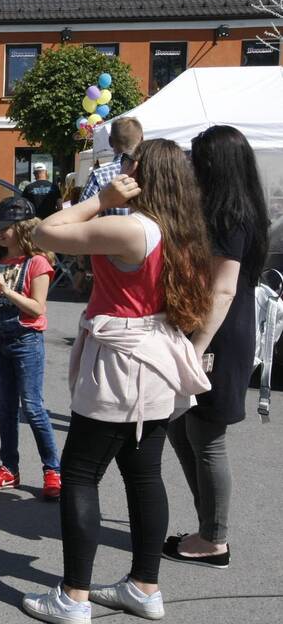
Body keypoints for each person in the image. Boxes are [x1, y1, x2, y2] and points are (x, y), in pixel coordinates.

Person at [22, 139, 213, 624]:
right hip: (155, 356)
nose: (119, 169)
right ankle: (144, 587)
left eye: (128, 163)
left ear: (142, 174)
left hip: (123, 359)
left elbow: (44, 232)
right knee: (144, 471)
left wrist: (100, 200)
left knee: (82, 473)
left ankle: (73, 597)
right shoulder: (182, 227)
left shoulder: (132, 227)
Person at [164, 125, 270, 570]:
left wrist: (195, 347)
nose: (192, 165)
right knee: (183, 427)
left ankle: (214, 539)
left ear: (216, 165)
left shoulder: (230, 216)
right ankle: (208, 527)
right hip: (216, 332)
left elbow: (223, 291)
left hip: (218, 336)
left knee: (206, 436)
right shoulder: (236, 211)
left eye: (198, 159)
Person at [0, 197, 61, 500]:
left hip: (26, 340)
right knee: (6, 409)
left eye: (6, 227)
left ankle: (52, 470)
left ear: (23, 228)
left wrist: (8, 290)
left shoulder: (37, 262)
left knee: (34, 408)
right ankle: (8, 468)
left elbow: (37, 309)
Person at [81, 117, 144, 217]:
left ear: (110, 141)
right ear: (142, 140)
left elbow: (82, 215)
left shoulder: (98, 176)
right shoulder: (154, 171)